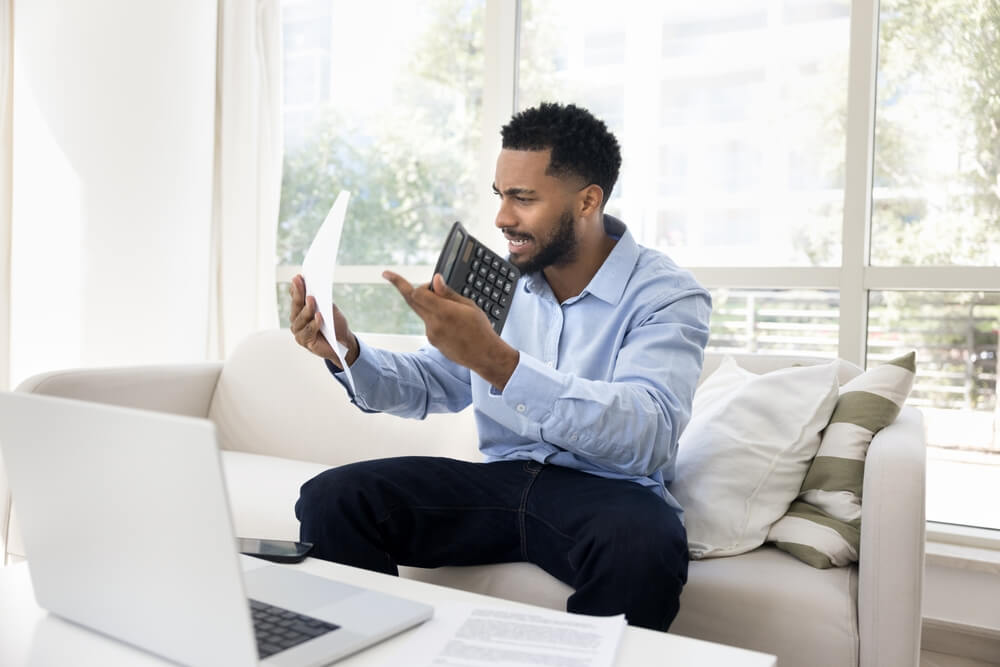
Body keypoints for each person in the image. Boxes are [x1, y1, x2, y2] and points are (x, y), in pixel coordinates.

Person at [289, 102, 711, 631]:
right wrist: (346, 350)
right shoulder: (502, 282)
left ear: (587, 201)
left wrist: (497, 361)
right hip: (503, 482)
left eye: (523, 198)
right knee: (334, 499)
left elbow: (647, 433)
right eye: (500, 195)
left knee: (644, 543)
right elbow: (432, 384)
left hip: (608, 493)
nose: (502, 217)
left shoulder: (666, 295)